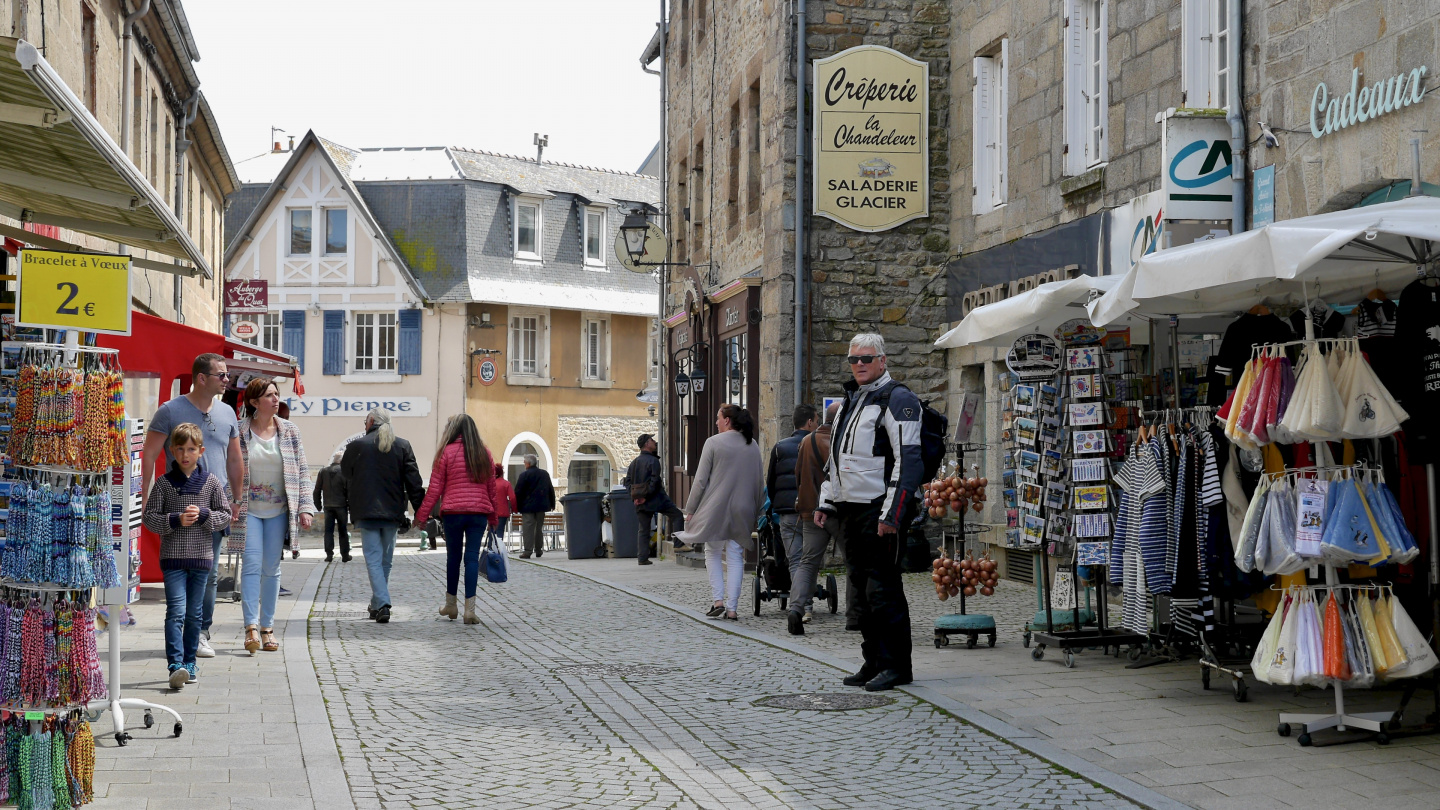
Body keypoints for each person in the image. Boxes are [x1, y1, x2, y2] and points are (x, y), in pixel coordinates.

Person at [815, 333, 923, 692]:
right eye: (853, 359)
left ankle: (896, 666)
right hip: (849, 512)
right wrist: (826, 501)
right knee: (860, 591)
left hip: (879, 510)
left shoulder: (898, 399)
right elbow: (836, 460)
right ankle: (872, 662)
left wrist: (891, 515)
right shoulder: (851, 401)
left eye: (866, 358)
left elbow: (909, 462)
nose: (859, 364)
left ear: (883, 360)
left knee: (883, 591)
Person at [143, 353, 243, 660]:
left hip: (213, 501)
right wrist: (142, 497)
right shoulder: (170, 410)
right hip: (177, 501)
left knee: (209, 573)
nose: (228, 380)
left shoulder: (227, 412)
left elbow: (235, 458)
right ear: (201, 378)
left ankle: (199, 632)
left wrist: (236, 499)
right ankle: (180, 631)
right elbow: (149, 454)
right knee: (178, 569)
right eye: (222, 375)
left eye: (228, 375)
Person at [143, 423, 232, 689]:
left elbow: (225, 516)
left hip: (202, 559)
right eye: (180, 449)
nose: (185, 454)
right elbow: (149, 518)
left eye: (191, 449)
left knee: (194, 614)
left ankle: (190, 662)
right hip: (173, 560)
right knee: (176, 612)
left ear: (200, 451)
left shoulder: (211, 482)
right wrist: (175, 519)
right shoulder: (164, 484)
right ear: (171, 451)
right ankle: (175, 664)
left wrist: (204, 515)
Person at [234, 377, 316, 654]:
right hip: (249, 511)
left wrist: (306, 507)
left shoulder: (290, 431)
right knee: (252, 565)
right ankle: (251, 628)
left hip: (280, 509)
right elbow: (230, 467)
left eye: (276, 394)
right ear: (255, 402)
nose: (275, 399)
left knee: (272, 569)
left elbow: (303, 472)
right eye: (269, 395)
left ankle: (268, 627)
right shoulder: (240, 430)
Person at [675, 405, 764, 621]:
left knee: (712, 552)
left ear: (727, 420)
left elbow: (701, 480)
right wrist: (759, 511)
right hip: (743, 509)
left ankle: (718, 601)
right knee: (735, 557)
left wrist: (691, 509)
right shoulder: (752, 445)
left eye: (718, 418)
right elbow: (759, 482)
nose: (716, 422)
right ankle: (732, 609)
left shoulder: (713, 443)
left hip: (716, 508)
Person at [414, 415, 499, 625]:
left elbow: (435, 489)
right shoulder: (484, 453)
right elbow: (492, 489)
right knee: (471, 558)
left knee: (453, 558)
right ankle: (470, 610)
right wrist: (494, 517)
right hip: (478, 513)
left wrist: (422, 516)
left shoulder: (446, 452)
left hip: (453, 512)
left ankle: (450, 604)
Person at [342, 409, 425, 624]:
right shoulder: (402, 446)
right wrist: (421, 511)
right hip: (393, 512)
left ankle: (382, 603)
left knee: (373, 559)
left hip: (366, 511)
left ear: (370, 422)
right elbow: (414, 482)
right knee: (385, 561)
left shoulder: (356, 446)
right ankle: (379, 603)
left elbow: (346, 475)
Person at [796, 402, 859, 631]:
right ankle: (853, 617)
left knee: (807, 563)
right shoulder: (844, 441)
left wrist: (803, 506)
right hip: (838, 512)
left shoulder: (807, 441)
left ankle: (797, 608)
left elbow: (798, 477)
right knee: (852, 561)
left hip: (810, 510)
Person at [767, 405, 820, 634]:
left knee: (797, 559)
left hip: (787, 511)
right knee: (810, 559)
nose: (817, 425)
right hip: (811, 510)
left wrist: (776, 504)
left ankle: (802, 606)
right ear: (809, 423)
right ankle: (805, 605)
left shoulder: (779, 447)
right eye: (816, 421)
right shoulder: (816, 444)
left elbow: (770, 481)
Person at [625, 433, 685, 566]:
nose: (654, 442)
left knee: (643, 529)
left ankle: (642, 558)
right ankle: (678, 544)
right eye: (652, 440)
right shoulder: (653, 461)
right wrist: (646, 496)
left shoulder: (634, 462)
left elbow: (627, 481)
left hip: (639, 501)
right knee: (677, 515)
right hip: (656, 499)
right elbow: (655, 481)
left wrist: (635, 496)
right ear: (647, 444)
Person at [513, 454, 556, 559]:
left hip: (528, 507)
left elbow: (518, 492)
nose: (524, 464)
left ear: (528, 463)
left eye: (524, 462)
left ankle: (527, 551)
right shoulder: (544, 474)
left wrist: (516, 506)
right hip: (541, 506)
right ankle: (538, 550)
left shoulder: (524, 475)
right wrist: (552, 503)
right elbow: (550, 489)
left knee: (528, 529)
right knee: (538, 528)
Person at [313, 450, 350, 562]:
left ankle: (329, 554)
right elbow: (349, 490)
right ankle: (345, 555)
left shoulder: (323, 471)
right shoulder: (344, 472)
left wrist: (318, 504)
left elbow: (317, 490)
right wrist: (350, 505)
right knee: (343, 530)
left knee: (328, 531)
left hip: (328, 505)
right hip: (341, 505)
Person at [490, 462, 517, 550]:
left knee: (491, 531)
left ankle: (490, 549)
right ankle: (499, 549)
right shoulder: (506, 484)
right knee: (500, 531)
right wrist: (514, 508)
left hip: (491, 511)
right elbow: (512, 497)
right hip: (502, 511)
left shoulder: (490, 484)